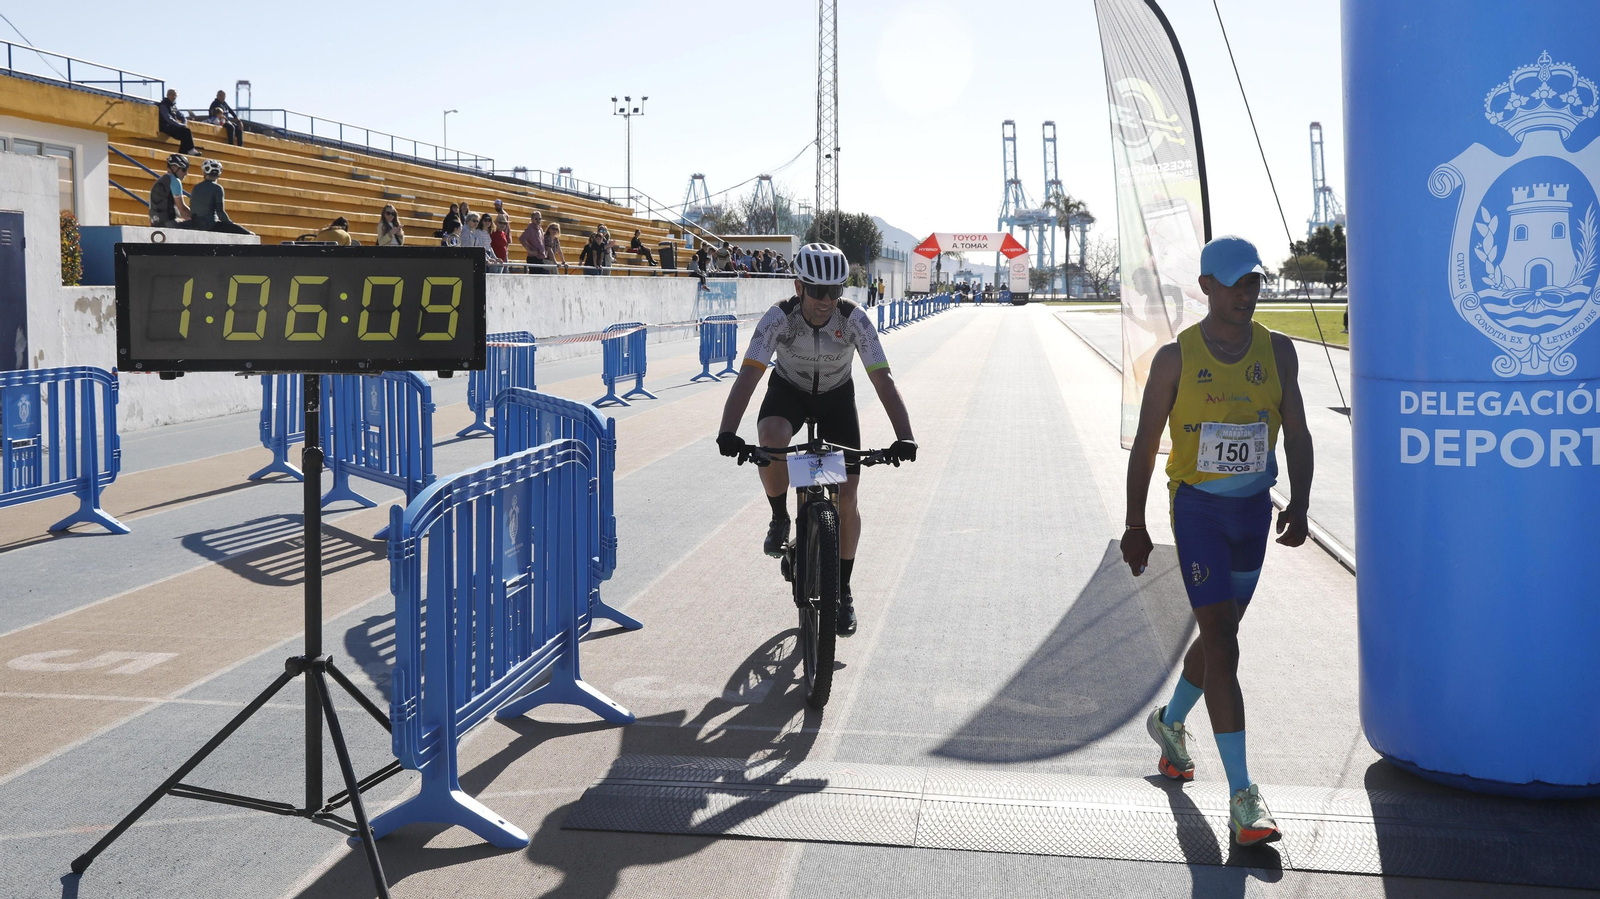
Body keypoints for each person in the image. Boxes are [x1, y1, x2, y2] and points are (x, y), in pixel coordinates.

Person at [1121, 235, 1314, 849]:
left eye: (1254, 282)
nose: (1247, 293)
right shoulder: (1176, 359)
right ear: (1206, 287)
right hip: (1199, 509)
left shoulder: (1278, 352)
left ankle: (1169, 722)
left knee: (1218, 636)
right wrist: (1134, 523)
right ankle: (1243, 798)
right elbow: (1147, 443)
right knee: (1225, 644)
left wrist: (1302, 503)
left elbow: (1301, 434)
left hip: (1253, 511)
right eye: (1235, 283)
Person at [715, 242, 918, 637]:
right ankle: (779, 516)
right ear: (798, 286)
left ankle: (841, 591)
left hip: (837, 400)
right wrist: (727, 431)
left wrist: (905, 436)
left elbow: (883, 381)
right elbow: (748, 378)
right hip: (788, 392)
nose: (826, 300)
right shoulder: (778, 318)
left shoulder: (855, 320)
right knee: (771, 439)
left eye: (835, 290)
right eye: (817, 290)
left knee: (847, 495)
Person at [184, 159, 252, 234]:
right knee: (248, 234)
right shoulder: (217, 188)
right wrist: (230, 223)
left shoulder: (196, 187)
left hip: (195, 224)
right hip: (211, 225)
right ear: (219, 173)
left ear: (204, 172)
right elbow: (221, 213)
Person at [147, 154, 191, 228]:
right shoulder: (175, 181)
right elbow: (182, 209)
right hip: (170, 223)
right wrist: (196, 218)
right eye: (184, 170)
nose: (186, 173)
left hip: (155, 224)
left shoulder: (157, 182)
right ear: (174, 167)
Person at [157, 89, 201, 156]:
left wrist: (184, 123)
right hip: (166, 127)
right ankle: (190, 149)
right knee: (186, 131)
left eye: (175, 95)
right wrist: (180, 125)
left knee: (185, 133)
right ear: (167, 95)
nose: (173, 96)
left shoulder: (173, 106)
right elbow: (168, 119)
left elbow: (182, 116)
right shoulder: (164, 105)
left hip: (173, 127)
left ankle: (182, 153)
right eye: (171, 94)